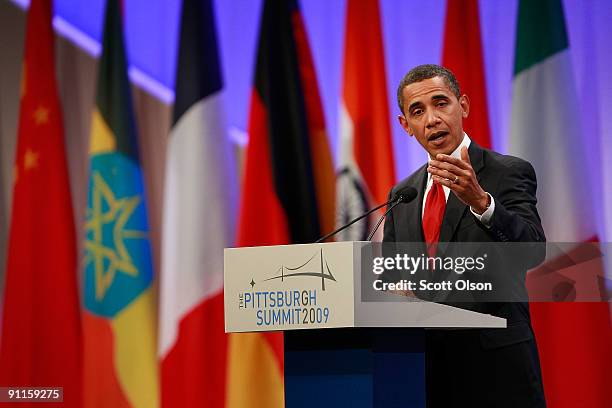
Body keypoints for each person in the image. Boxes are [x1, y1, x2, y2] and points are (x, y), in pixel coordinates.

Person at [384, 64, 546, 407]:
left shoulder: (506, 173)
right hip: (426, 374)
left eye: (441, 103)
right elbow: (391, 274)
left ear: (464, 106)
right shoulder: (403, 194)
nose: (431, 119)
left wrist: (482, 203)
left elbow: (532, 251)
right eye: (417, 111)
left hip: (496, 373)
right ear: (406, 126)